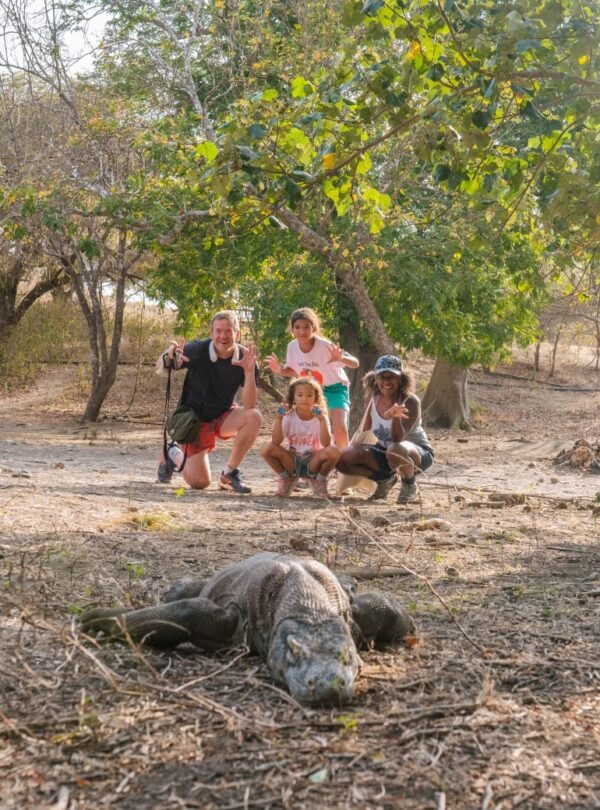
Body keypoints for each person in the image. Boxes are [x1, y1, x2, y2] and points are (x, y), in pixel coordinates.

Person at [156, 310, 263, 493]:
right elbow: (162, 366)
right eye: (218, 331)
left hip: (223, 414)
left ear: (237, 334)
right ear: (212, 333)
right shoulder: (198, 349)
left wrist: (249, 371)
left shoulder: (245, 358)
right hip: (194, 421)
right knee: (200, 483)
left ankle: (229, 474)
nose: (223, 336)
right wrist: (169, 355)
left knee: (254, 416)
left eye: (229, 331)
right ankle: (173, 453)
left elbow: (250, 405)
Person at [336, 355, 434, 503]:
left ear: (401, 379)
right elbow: (366, 431)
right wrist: (357, 451)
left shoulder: (410, 401)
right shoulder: (373, 397)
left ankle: (409, 484)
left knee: (394, 449)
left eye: (392, 377)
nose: (386, 381)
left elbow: (397, 439)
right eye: (382, 376)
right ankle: (384, 479)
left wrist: (394, 417)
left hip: (415, 453)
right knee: (342, 459)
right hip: (384, 450)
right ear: (375, 378)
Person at [265, 307, 358, 448]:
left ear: (314, 328)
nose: (302, 331)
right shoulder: (292, 347)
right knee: (315, 427)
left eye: (306, 327)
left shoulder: (325, 345)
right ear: (292, 329)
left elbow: (355, 363)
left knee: (340, 427)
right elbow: (293, 371)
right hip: (312, 392)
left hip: (336, 388)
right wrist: (279, 370)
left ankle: (345, 462)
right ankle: (320, 460)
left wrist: (341, 357)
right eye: (297, 327)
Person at [260, 377, 339, 499]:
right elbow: (276, 442)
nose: (305, 399)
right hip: (292, 461)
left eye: (309, 395)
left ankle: (318, 481)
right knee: (267, 448)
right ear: (293, 397)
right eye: (300, 395)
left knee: (334, 451)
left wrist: (322, 420)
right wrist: (278, 419)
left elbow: (326, 443)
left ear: (316, 398)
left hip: (313, 461)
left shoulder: (320, 417)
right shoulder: (289, 416)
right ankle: (287, 479)